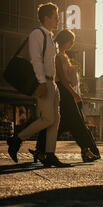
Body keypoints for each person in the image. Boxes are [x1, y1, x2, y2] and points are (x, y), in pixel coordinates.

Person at [7, 2, 69, 167]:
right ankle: (16, 139)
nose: (58, 20)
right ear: (47, 18)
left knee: (55, 120)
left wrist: (54, 84)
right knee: (48, 118)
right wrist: (42, 82)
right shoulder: (37, 34)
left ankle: (49, 154)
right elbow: (36, 60)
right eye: (56, 17)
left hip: (52, 83)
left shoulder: (50, 37)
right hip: (43, 82)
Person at [29, 29, 100, 163]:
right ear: (65, 41)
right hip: (63, 92)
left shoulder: (64, 55)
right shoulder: (57, 55)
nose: (72, 44)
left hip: (66, 91)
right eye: (71, 41)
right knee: (77, 122)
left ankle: (40, 150)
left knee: (61, 123)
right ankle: (86, 150)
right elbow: (61, 78)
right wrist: (74, 94)